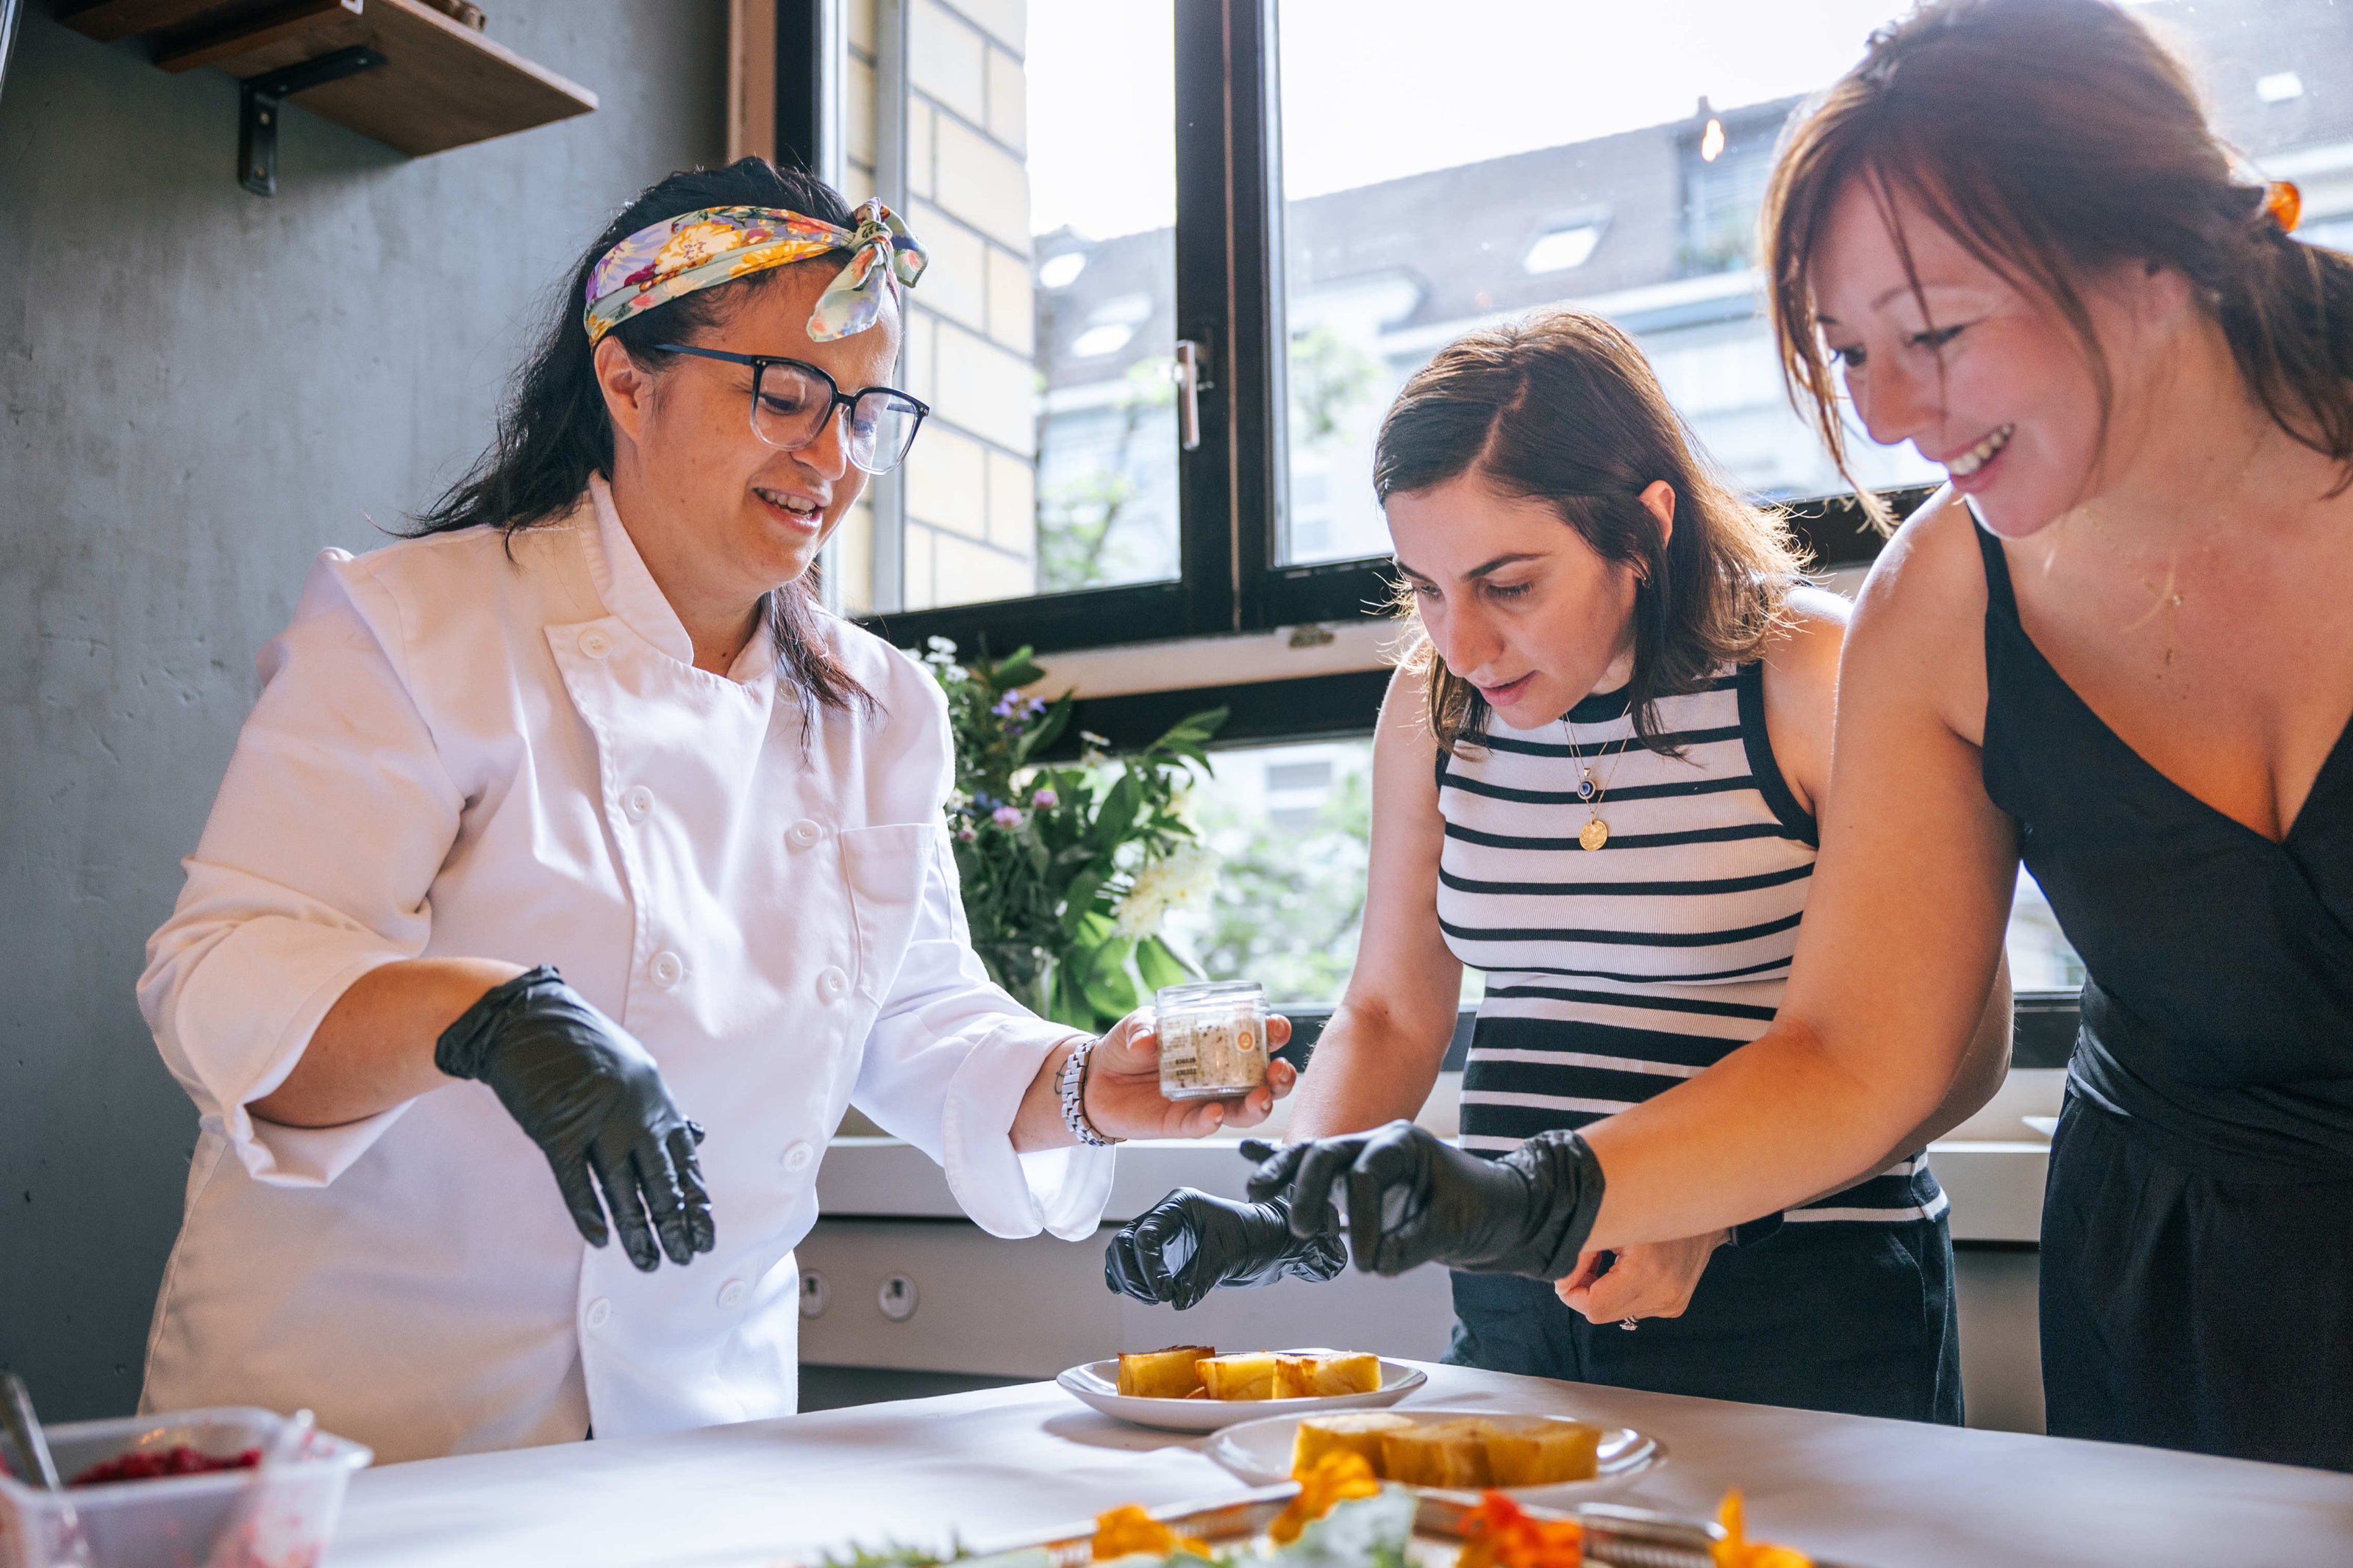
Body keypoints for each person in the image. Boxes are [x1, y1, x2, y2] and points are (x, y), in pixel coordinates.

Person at [1246, 0, 2353, 1472]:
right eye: (1848, 358)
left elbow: (1934, 1056)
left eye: (1935, 336)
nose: (1892, 417)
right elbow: (1851, 1047)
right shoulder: (1941, 602)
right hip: (2173, 1281)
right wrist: (1524, 1200)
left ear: (2153, 251)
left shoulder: (1809, 669)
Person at [135, 159, 1291, 1464]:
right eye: (786, 394)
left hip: (694, 1437)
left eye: (863, 412)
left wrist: (1084, 1084)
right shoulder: (417, 626)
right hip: (369, 1423)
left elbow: (915, 1016)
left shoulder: (881, 707)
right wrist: (485, 1020)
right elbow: (220, 972)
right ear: (627, 378)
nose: (832, 457)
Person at [1105, 308, 2009, 1422]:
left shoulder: (1816, 677)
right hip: (1518, 1304)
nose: (1463, 644)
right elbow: (1389, 1015)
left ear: (1643, 527)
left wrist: (1713, 1209)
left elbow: (1961, 1050)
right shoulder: (1431, 711)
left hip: (1800, 1296)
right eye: (1426, 589)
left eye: (1509, 585)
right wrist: (1280, 1209)